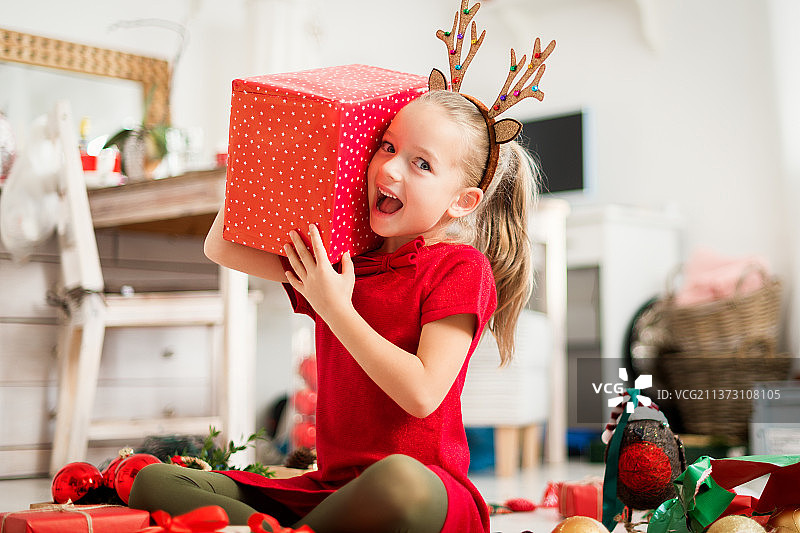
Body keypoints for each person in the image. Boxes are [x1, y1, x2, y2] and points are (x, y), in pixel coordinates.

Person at [129, 88, 540, 533]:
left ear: (462, 201)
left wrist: (335, 307)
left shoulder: (461, 267)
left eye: (421, 164)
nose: (390, 168)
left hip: (423, 492)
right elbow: (221, 247)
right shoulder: (342, 262)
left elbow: (421, 394)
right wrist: (258, 158)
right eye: (387, 146)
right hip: (330, 490)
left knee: (399, 478)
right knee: (154, 480)